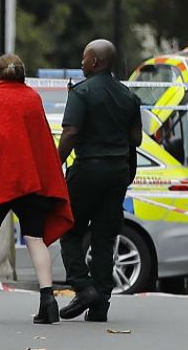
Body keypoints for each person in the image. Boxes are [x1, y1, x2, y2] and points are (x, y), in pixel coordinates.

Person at [0, 54, 74, 323]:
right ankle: (48, 300)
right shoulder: (32, 98)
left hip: (0, 181)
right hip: (30, 180)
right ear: (22, 74)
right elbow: (42, 140)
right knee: (35, 238)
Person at [58, 39, 142, 322]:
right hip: (118, 172)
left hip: (88, 170)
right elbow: (136, 139)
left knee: (68, 228)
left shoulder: (81, 93)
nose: (81, 64)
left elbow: (70, 133)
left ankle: (83, 287)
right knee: (105, 237)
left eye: (84, 59)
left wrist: (54, 162)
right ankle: (100, 304)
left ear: (95, 62)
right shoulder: (128, 96)